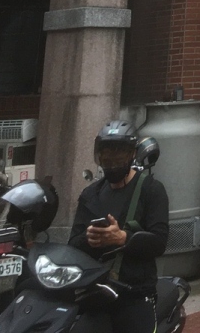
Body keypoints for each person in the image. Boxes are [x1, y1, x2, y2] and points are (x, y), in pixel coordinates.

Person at [70, 120, 170, 333]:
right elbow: (72, 245)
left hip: (135, 294)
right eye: (107, 158)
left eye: (118, 157)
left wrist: (123, 238)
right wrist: (89, 238)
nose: (112, 164)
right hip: (96, 295)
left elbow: (159, 242)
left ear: (132, 154)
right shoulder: (90, 195)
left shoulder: (151, 190)